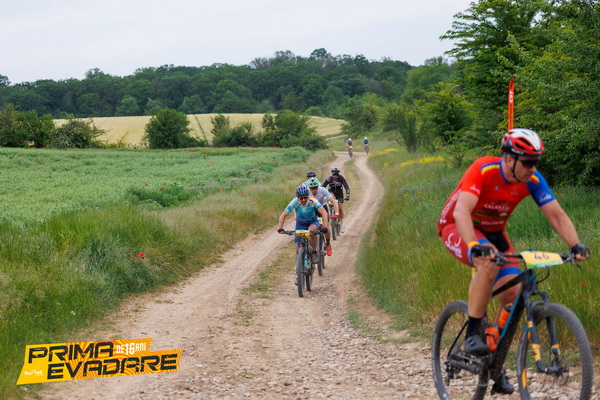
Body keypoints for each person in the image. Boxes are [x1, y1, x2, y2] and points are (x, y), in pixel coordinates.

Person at [437, 128, 590, 395]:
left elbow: (556, 215)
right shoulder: (483, 170)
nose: (533, 168)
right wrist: (473, 246)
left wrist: (575, 245)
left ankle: (494, 359)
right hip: (458, 227)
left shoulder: (533, 179)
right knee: (487, 263)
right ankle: (473, 333)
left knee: (512, 291)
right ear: (509, 159)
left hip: (494, 232)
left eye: (536, 162)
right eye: (528, 162)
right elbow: (461, 211)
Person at [278, 184, 329, 265]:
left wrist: (325, 227)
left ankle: (314, 251)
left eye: (305, 197)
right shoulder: (295, 202)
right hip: (300, 224)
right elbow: (283, 214)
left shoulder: (312, 201)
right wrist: (280, 228)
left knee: (311, 231)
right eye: (301, 198)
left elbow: (324, 212)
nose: (304, 200)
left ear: (308, 196)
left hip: (312, 222)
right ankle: (300, 268)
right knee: (298, 247)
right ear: (298, 197)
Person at [306, 177, 339, 256]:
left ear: (318, 186)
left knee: (325, 226)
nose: (314, 190)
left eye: (315, 188)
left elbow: (333, 201)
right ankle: (313, 246)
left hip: (322, 207)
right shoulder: (306, 191)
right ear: (309, 188)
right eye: (312, 188)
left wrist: (337, 212)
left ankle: (328, 244)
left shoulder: (323, 190)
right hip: (312, 208)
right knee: (310, 227)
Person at [322, 167, 350, 233]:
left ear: (338, 174)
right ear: (332, 174)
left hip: (339, 194)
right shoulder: (329, 179)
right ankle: (331, 211)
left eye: (337, 175)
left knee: (340, 209)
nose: (335, 176)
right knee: (330, 197)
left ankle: (342, 224)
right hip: (331, 192)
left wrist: (348, 195)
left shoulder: (341, 178)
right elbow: (323, 187)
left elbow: (346, 187)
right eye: (334, 175)